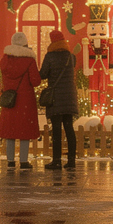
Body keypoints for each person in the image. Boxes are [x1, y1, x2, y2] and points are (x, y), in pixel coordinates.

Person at [0, 32, 41, 169]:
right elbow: (36, 81)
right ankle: (23, 161)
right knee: (24, 131)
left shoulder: (5, 60)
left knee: (10, 131)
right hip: (25, 101)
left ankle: (10, 160)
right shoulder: (29, 60)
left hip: (10, 99)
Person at [38, 29, 78, 169]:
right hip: (70, 97)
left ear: (52, 41)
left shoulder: (50, 56)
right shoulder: (70, 56)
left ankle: (56, 160)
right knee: (69, 128)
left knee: (56, 130)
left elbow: (43, 74)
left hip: (56, 98)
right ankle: (71, 161)